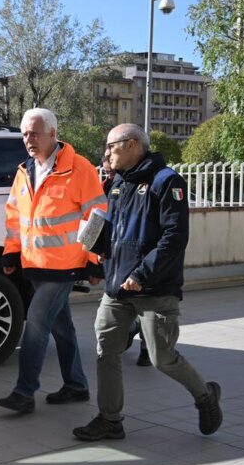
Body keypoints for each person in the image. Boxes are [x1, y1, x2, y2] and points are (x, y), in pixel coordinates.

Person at [74, 124, 223, 441]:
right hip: (117, 289)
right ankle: (110, 420)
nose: (106, 152)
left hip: (154, 289)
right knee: (106, 353)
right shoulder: (117, 185)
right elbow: (118, 231)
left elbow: (174, 237)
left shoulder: (166, 182)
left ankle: (205, 396)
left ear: (131, 145)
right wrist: (100, 250)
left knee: (162, 358)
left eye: (111, 146)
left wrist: (142, 275)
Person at [0, 108, 107, 413]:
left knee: (36, 323)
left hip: (65, 265)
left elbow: (97, 216)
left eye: (34, 133)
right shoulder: (24, 171)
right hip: (34, 264)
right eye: (24, 134)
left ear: (53, 134)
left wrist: (95, 261)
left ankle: (24, 391)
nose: (28, 139)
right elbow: (14, 217)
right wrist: (11, 251)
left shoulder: (79, 168)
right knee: (61, 327)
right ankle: (76, 385)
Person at [101, 149, 150, 367]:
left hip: (140, 260)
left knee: (146, 309)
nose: (109, 176)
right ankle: (131, 330)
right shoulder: (109, 187)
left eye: (111, 173)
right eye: (106, 173)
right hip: (116, 263)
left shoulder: (140, 187)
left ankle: (146, 349)